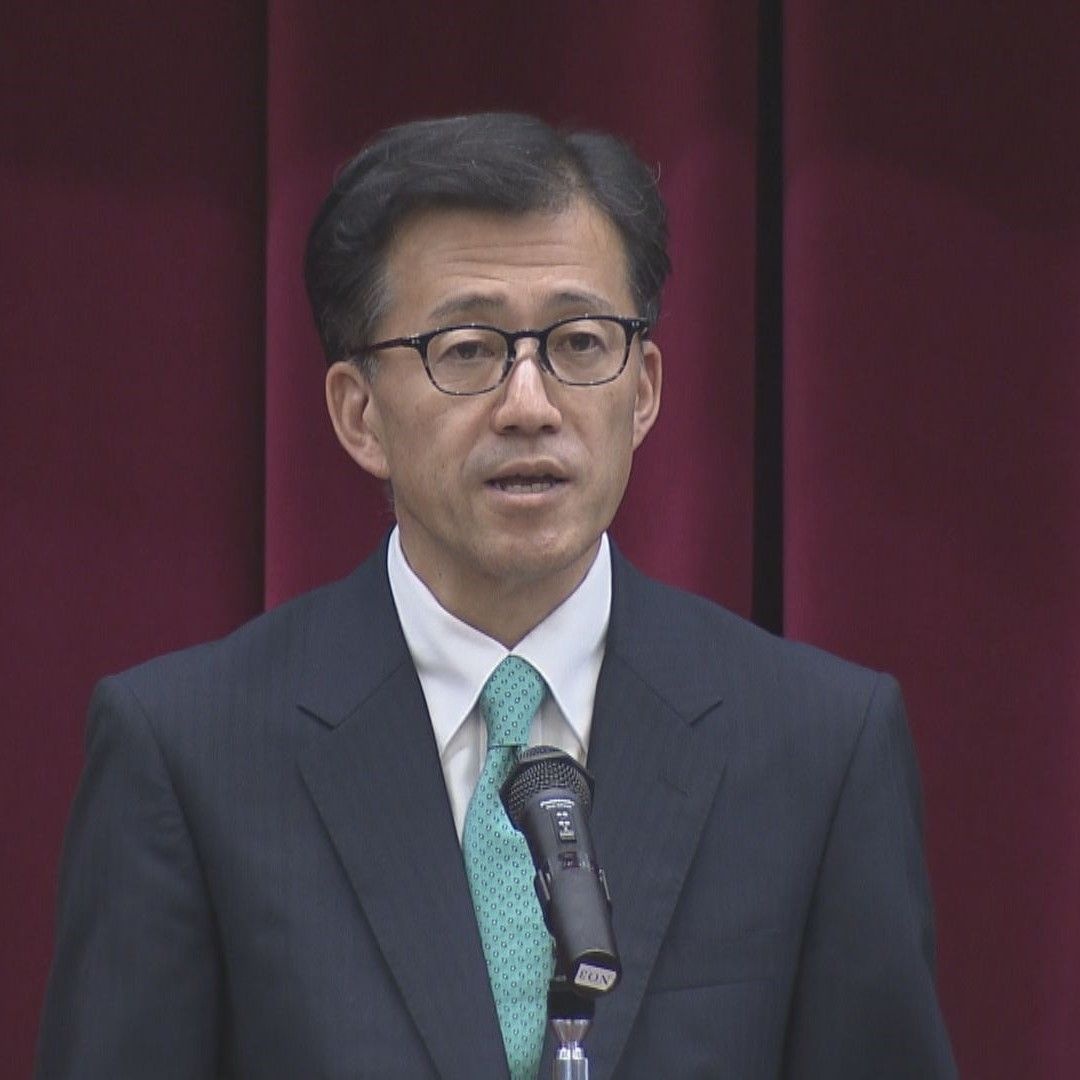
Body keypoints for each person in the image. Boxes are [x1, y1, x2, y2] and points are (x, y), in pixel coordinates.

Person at [36, 113, 955, 1078]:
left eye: (579, 342)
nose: (530, 404)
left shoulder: (817, 745)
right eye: (468, 349)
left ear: (643, 391)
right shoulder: (190, 754)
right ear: (358, 413)